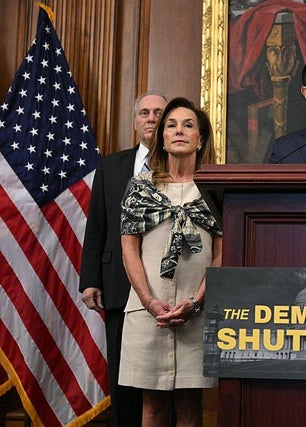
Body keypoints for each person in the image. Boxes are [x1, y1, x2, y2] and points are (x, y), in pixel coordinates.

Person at [118, 97, 223, 426]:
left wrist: (195, 301)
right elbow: (129, 249)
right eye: (171, 125)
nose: (179, 131)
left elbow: (222, 253)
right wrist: (149, 302)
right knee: (153, 403)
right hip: (148, 312)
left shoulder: (214, 188)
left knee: (192, 404)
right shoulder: (140, 188)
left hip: (198, 313)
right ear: (161, 137)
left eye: (188, 125)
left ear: (200, 138)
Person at [80, 91, 167, 426]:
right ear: (134, 122)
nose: (151, 118)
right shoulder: (111, 166)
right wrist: (90, 279)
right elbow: (97, 225)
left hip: (165, 286)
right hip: (117, 284)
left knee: (162, 382)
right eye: (144, 112)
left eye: (159, 112)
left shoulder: (182, 164)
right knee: (123, 378)